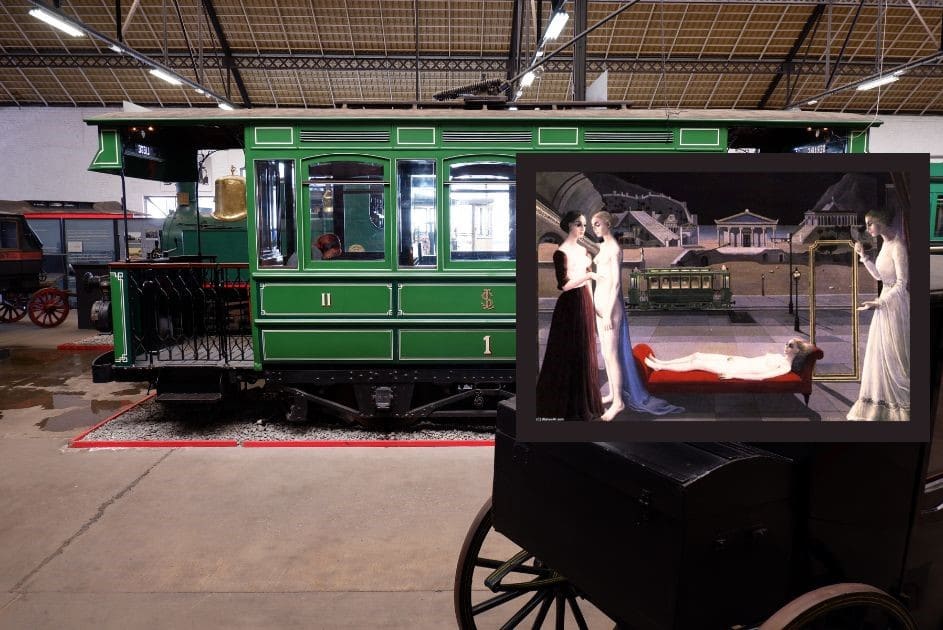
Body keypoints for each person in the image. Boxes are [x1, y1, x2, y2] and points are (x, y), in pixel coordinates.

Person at [591, 210, 683, 420]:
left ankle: (618, 403)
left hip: (609, 308)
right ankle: (613, 393)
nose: (594, 227)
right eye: (592, 224)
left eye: (597, 224)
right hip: (600, 305)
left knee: (612, 356)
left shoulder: (613, 248)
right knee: (606, 354)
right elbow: (603, 276)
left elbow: (615, 283)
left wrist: (606, 314)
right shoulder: (603, 246)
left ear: (607, 224)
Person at [536, 211, 604, 421]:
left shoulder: (584, 251)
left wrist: (595, 307)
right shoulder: (561, 252)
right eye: (578, 224)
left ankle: (586, 405)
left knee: (586, 350)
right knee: (572, 353)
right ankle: (571, 408)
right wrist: (589, 275)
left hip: (584, 300)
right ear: (568, 226)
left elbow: (586, 286)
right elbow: (564, 285)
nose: (582, 229)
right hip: (570, 306)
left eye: (583, 225)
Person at [847, 208, 910, 421]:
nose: (867, 229)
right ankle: (877, 405)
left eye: (870, 224)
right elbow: (880, 277)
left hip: (894, 306)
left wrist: (879, 302)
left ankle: (895, 408)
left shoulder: (898, 246)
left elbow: (901, 284)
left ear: (881, 222)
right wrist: (863, 257)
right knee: (878, 354)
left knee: (893, 357)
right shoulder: (885, 244)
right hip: (883, 304)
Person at [644, 338, 813, 381]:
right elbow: (753, 360)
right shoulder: (780, 357)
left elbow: (760, 377)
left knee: (697, 363)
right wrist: (736, 358)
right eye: (786, 343)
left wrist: (733, 375)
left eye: (790, 346)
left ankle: (660, 368)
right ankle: (662, 363)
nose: (785, 347)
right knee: (697, 355)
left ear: (797, 352)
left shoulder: (785, 367)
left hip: (735, 370)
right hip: (736, 361)